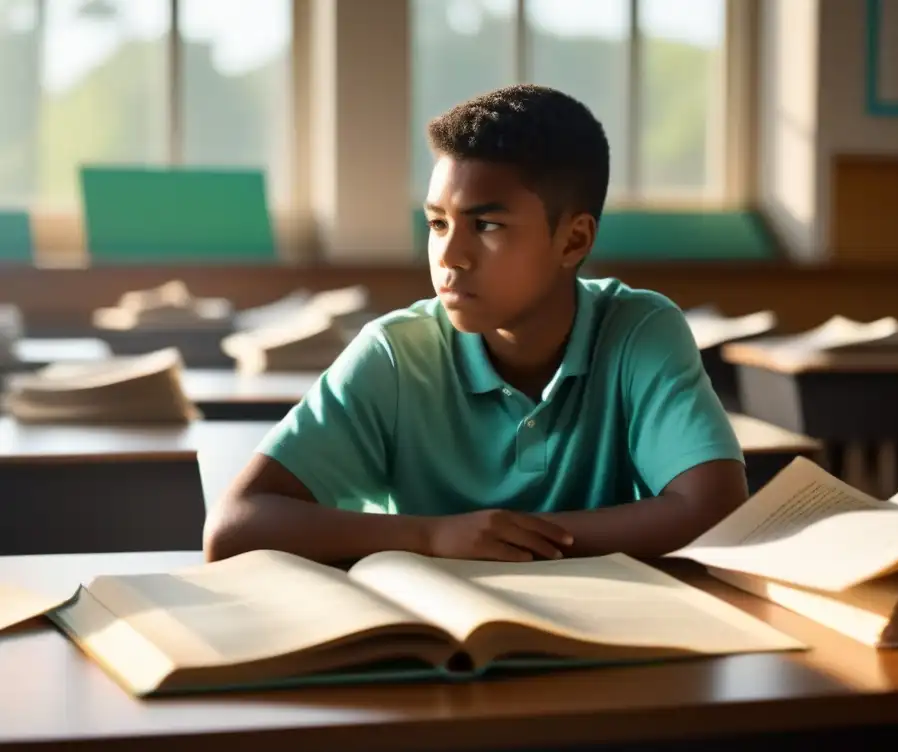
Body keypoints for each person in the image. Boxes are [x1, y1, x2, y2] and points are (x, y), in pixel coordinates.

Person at [205, 84, 748, 565]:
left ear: (574, 240)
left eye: (486, 224)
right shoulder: (397, 353)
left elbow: (716, 510)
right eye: (438, 223)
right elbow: (235, 526)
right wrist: (434, 537)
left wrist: (505, 542)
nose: (451, 256)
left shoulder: (638, 330)